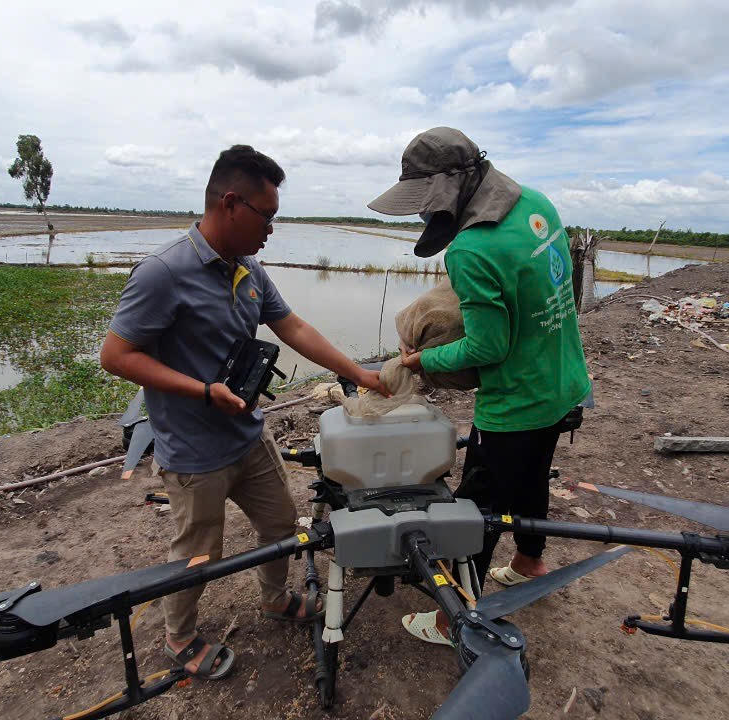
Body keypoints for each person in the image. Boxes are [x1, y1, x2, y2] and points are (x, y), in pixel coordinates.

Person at [99, 145, 389, 679]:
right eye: (267, 216)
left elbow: (293, 327)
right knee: (197, 553)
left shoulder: (249, 268)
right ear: (230, 203)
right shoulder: (163, 272)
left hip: (248, 437)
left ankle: (274, 598)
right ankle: (178, 637)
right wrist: (202, 391)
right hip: (192, 451)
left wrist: (361, 372)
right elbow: (116, 355)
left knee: (281, 525)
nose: (272, 230)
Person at [366, 127, 591, 646]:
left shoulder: (471, 250)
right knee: (533, 477)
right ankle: (530, 561)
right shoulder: (535, 204)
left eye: (424, 203)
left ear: (448, 189)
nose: (423, 214)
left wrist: (423, 359)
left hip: (515, 402)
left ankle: (452, 620)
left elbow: (487, 349)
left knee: (474, 512)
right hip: (562, 381)